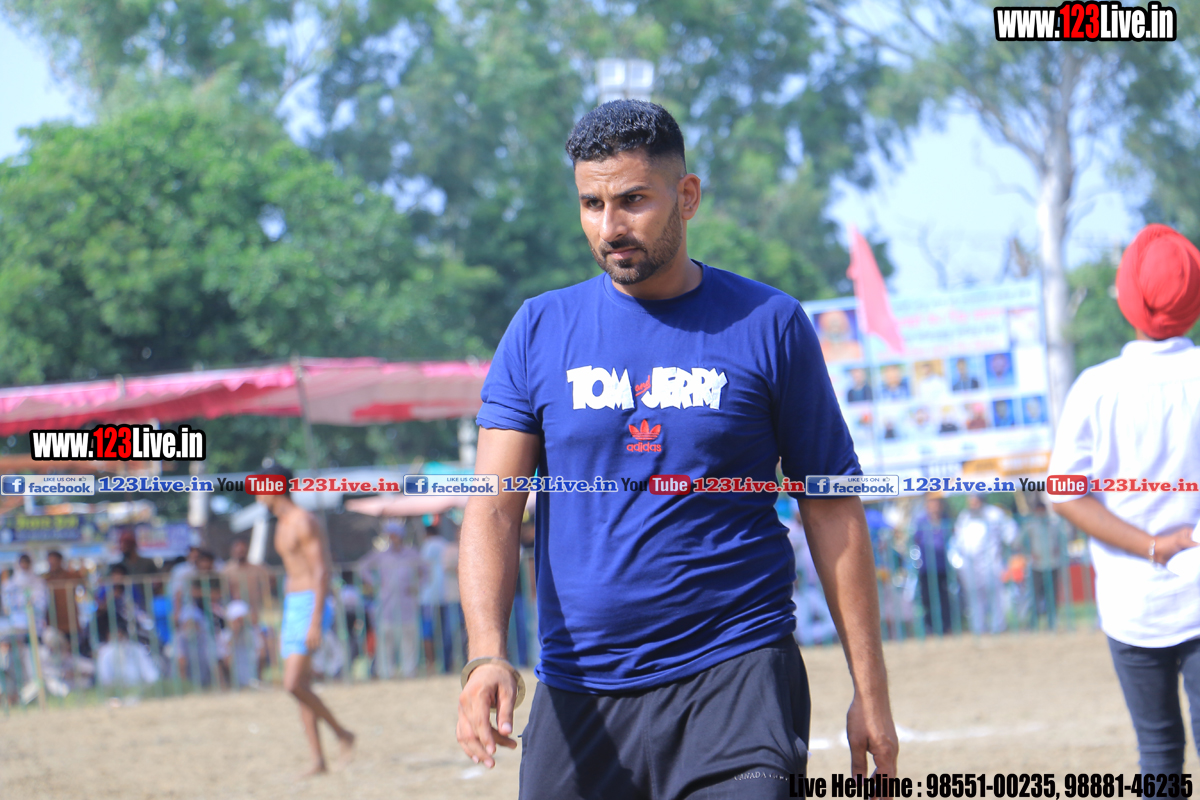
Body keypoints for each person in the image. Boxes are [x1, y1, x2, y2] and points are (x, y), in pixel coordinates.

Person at [456, 100, 898, 796]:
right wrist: (486, 654)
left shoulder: (770, 324)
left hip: (738, 676)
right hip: (579, 691)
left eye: (633, 200)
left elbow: (831, 507)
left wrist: (869, 691)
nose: (610, 227)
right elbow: (492, 508)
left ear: (686, 196)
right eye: (592, 204)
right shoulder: (539, 330)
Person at [1049, 223, 1200, 778]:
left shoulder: (1096, 387)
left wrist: (1153, 546)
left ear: (1128, 300)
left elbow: (1064, 494)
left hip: (1132, 604)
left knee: (1157, 755)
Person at [258, 466, 354, 777]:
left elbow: (321, 570)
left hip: (310, 603)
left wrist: (314, 620)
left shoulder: (303, 520)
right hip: (292, 606)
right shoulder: (280, 523)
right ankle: (318, 760)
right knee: (301, 686)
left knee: (292, 684)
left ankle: (342, 733)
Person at [356, 521, 423, 679]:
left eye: (395, 535)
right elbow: (361, 567)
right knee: (386, 638)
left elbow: (425, 571)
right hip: (386, 605)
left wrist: (417, 586)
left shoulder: (412, 553)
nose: (393, 538)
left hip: (407, 603)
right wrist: (375, 583)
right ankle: (386, 673)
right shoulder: (380, 555)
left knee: (408, 638)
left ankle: (409, 671)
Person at [952, 494, 1018, 635]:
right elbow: (958, 539)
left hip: (991, 562)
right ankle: (978, 628)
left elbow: (1010, 532)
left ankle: (998, 627)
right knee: (974, 597)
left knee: (995, 595)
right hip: (969, 564)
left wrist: (1010, 548)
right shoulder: (965, 516)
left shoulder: (994, 513)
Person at [1019, 498, 1069, 631]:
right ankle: (1033, 623)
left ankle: (1051, 623)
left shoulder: (1054, 525)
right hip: (1037, 565)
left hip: (1053, 564)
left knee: (1052, 596)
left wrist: (1058, 550)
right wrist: (1029, 552)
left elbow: (1063, 540)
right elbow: (1020, 542)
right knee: (1035, 596)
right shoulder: (1030, 525)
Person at [911, 495, 954, 635]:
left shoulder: (946, 519)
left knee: (944, 597)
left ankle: (946, 627)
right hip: (926, 567)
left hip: (943, 566)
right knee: (927, 598)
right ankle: (930, 627)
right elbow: (915, 540)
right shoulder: (921, 521)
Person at [222, 535, 273, 621]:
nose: (240, 552)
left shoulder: (258, 568)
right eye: (238, 550)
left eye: (243, 550)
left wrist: (263, 593)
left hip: (256, 608)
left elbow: (272, 579)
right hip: (236, 610)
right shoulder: (226, 570)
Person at [43, 550, 85, 651]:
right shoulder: (45, 579)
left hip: (71, 623)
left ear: (60, 561)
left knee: (73, 651)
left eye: (54, 561)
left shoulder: (71, 576)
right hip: (53, 623)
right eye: (50, 562)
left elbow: (83, 581)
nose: (52, 565)